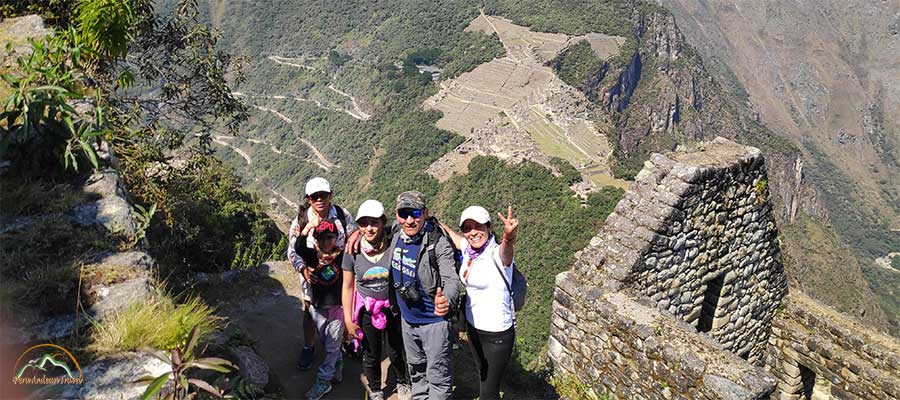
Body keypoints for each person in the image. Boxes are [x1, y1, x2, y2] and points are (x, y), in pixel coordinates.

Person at [387, 191, 461, 400]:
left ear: (425, 213)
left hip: (433, 322)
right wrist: (356, 234)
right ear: (397, 214)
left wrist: (446, 299)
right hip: (408, 321)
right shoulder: (395, 232)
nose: (409, 220)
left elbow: (452, 279)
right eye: (404, 214)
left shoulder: (437, 243)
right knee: (417, 371)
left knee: (438, 377)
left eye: (416, 213)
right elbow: (372, 231)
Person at [341, 200, 411, 400]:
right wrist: (348, 320)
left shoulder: (393, 242)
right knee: (371, 352)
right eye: (363, 224)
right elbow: (347, 287)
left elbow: (404, 224)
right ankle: (376, 389)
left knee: (396, 349)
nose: (369, 228)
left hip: (392, 308)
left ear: (383, 223)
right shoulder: (352, 251)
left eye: (374, 222)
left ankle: (402, 381)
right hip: (366, 310)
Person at [287, 177, 357, 371]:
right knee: (310, 310)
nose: (319, 200)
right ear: (308, 199)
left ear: (330, 195)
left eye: (323, 195)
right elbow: (292, 251)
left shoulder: (342, 215)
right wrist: (303, 269)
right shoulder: (301, 221)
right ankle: (309, 346)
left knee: (341, 308)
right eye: (314, 196)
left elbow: (353, 238)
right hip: (313, 277)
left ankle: (344, 342)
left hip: (339, 273)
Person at [450, 205, 519, 400]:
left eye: (478, 226)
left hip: (497, 334)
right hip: (473, 329)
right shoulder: (468, 250)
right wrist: (433, 220)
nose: (473, 232)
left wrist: (509, 236)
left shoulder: (497, 254)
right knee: (482, 374)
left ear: (488, 227)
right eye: (467, 228)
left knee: (489, 391)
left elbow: (507, 250)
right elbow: (456, 239)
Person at [296, 219, 346, 400]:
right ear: (316, 240)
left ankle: (323, 381)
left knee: (332, 344)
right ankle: (338, 362)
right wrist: (307, 228)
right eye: (322, 238)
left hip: (336, 308)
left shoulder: (341, 256)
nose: (326, 242)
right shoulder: (312, 256)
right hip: (317, 308)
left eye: (330, 238)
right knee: (327, 342)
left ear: (336, 238)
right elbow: (299, 247)